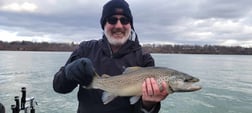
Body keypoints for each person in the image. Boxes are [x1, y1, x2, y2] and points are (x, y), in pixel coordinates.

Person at [53, 0, 169, 113]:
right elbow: (59, 87)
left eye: (124, 20)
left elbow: (142, 109)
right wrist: (68, 74)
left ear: (130, 25)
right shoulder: (85, 49)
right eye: (112, 20)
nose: (119, 26)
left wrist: (148, 105)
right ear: (104, 24)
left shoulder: (145, 58)